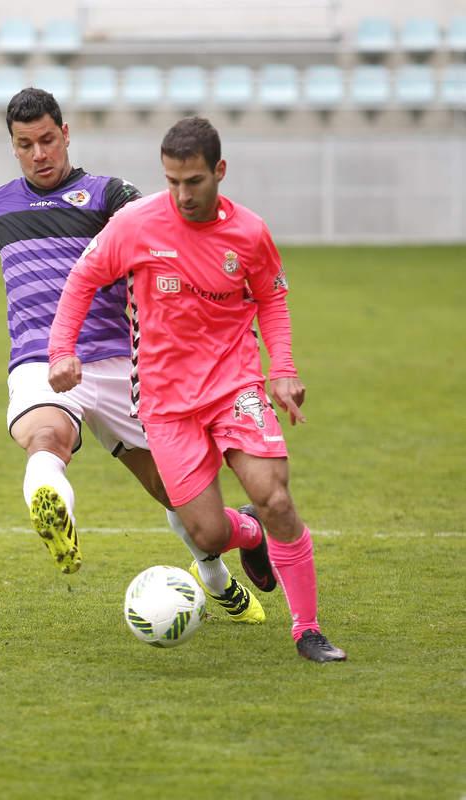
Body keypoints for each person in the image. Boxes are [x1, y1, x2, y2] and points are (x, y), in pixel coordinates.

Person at [0, 89, 270, 624]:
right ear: (13, 146)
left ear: (66, 133)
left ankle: (215, 576)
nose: (39, 154)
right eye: (25, 145)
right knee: (45, 437)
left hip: (120, 363)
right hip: (41, 361)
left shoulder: (108, 196)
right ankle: (55, 515)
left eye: (47, 140)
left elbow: (167, 233)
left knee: (177, 492)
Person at [48, 116, 347, 662]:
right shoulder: (134, 224)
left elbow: (271, 300)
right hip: (164, 403)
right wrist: (61, 351)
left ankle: (307, 629)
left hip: (235, 384)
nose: (182, 194)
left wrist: (281, 367)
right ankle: (250, 535)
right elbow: (83, 279)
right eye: (172, 181)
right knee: (207, 535)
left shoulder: (250, 233)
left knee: (274, 495)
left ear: (219, 172)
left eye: (194, 181)